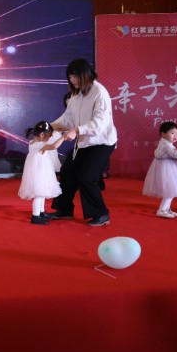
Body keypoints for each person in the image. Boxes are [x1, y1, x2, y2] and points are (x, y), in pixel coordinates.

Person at [49, 58, 117, 226]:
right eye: (70, 77)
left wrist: (77, 130)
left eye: (75, 77)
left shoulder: (99, 92)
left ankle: (101, 214)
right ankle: (64, 210)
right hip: (84, 142)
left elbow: (100, 123)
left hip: (102, 142)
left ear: (85, 74)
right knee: (67, 173)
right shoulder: (76, 95)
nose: (73, 80)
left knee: (87, 177)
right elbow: (67, 118)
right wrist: (49, 127)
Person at [142, 121, 177, 218]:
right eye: (172, 133)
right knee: (170, 190)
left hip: (168, 168)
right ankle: (162, 210)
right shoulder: (166, 144)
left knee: (171, 190)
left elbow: (173, 156)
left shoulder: (167, 143)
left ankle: (167, 209)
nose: (175, 136)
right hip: (166, 169)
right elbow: (175, 155)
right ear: (163, 134)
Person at [18, 122, 65, 225]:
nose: (49, 139)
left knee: (42, 193)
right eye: (49, 136)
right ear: (42, 135)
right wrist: (64, 137)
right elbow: (53, 146)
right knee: (39, 195)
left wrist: (59, 133)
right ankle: (35, 216)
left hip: (41, 172)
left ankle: (41, 212)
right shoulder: (40, 145)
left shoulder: (32, 143)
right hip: (39, 173)